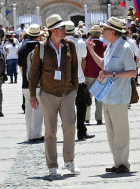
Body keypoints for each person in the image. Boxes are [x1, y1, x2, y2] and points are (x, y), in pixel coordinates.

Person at [29, 14, 80, 176]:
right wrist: (32, 95)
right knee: (51, 130)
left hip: (67, 92)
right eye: (61, 28)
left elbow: (74, 68)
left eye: (64, 28)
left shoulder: (70, 45)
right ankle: (52, 164)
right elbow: (34, 72)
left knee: (70, 127)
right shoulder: (42, 48)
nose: (65, 30)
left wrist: (75, 89)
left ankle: (70, 161)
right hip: (49, 93)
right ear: (52, 30)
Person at [87, 16, 136, 174]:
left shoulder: (125, 48)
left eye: (105, 29)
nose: (102, 31)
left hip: (119, 96)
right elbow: (104, 64)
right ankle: (117, 162)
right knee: (111, 133)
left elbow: (132, 72)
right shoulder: (111, 46)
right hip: (108, 95)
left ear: (113, 32)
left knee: (121, 131)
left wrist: (111, 73)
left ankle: (123, 163)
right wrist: (91, 51)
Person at [65, 21, 95, 140]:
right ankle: (81, 131)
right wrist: (80, 73)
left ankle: (67, 131)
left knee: (65, 107)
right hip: (78, 79)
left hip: (63, 81)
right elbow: (84, 60)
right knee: (81, 106)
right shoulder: (81, 43)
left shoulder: (59, 43)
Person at [17, 24, 44, 142]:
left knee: (28, 107)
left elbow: (21, 67)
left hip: (25, 82)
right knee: (38, 108)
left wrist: (25, 78)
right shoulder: (41, 47)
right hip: (39, 82)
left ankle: (30, 133)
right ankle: (36, 134)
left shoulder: (22, 47)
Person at [84, 25, 107, 125]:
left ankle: (86, 118)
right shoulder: (105, 46)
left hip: (88, 73)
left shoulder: (86, 45)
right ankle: (99, 118)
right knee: (99, 97)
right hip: (100, 74)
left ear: (91, 34)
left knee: (87, 97)